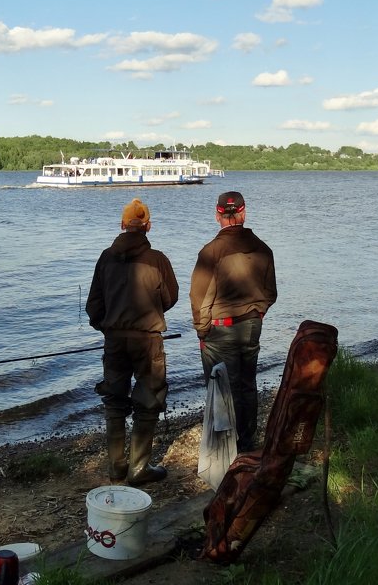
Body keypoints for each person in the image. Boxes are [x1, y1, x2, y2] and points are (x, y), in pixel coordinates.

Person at [86, 198, 179, 486]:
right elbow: (170, 297)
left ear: (122, 225)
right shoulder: (158, 259)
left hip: (114, 340)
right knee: (148, 400)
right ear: (148, 226)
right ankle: (139, 468)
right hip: (147, 340)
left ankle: (117, 467)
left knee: (114, 401)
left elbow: (94, 305)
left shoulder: (105, 257)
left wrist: (107, 327)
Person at [190, 190, 277, 452]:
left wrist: (202, 331)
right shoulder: (263, 248)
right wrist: (257, 314)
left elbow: (198, 298)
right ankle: (247, 443)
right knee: (247, 385)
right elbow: (270, 293)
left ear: (218, 215)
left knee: (220, 390)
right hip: (251, 326)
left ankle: (226, 449)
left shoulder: (210, 252)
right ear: (243, 213)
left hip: (221, 330)